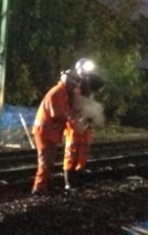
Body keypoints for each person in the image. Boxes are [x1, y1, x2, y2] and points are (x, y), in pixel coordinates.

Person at [31, 58, 102, 194]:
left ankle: (43, 187)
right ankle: (39, 188)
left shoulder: (63, 92)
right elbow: (57, 113)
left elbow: (99, 84)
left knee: (48, 161)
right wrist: (73, 119)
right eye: (74, 84)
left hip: (50, 131)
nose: (75, 87)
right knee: (46, 161)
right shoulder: (58, 92)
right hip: (45, 131)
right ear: (69, 82)